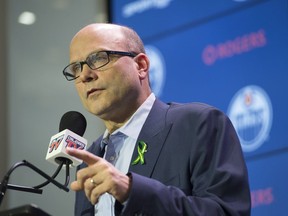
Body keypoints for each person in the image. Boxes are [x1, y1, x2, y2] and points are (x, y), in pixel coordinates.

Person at [63, 23, 251, 216]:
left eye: (99, 58)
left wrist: (133, 190)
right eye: (76, 68)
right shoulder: (90, 159)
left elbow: (226, 212)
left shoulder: (198, 125)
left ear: (141, 66)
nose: (85, 75)